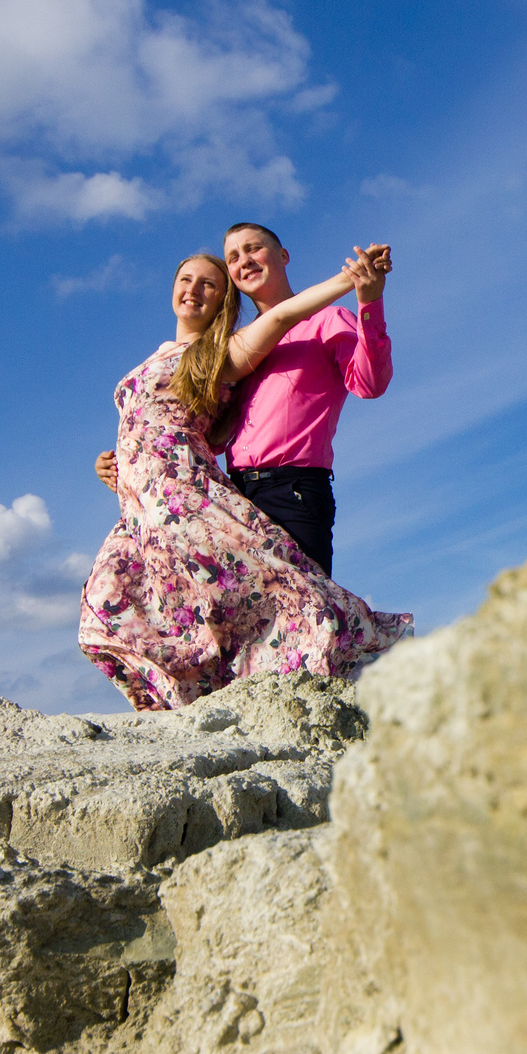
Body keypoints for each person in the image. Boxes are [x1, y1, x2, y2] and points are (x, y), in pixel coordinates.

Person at [79, 250, 410, 710]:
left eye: (208, 284)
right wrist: (112, 465)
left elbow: (285, 315)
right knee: (112, 602)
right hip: (139, 507)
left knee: (271, 591)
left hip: (182, 495)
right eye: (186, 279)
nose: (193, 289)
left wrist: (351, 281)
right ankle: (179, 702)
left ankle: (349, 661)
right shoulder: (159, 357)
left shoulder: (217, 354)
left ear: (223, 303)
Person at [213, 222, 393, 576]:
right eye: (233, 257)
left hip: (293, 491)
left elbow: (370, 384)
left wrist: (370, 303)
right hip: (233, 495)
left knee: (307, 615)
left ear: (283, 256)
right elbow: (212, 434)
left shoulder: (328, 320)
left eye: (253, 248)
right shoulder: (236, 348)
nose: (244, 260)